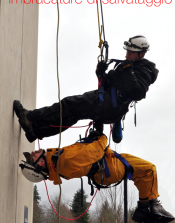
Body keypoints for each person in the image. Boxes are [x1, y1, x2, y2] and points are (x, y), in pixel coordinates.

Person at [14, 35, 158, 143]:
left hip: (112, 106)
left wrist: (128, 69)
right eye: (127, 51)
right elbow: (110, 83)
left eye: (131, 52)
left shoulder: (146, 69)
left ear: (142, 54)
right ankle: (36, 131)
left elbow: (138, 92)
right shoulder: (128, 66)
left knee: (70, 104)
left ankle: (30, 118)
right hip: (107, 102)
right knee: (72, 114)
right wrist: (101, 72)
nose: (127, 55)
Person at [20, 130, 174, 223]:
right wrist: (102, 138)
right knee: (149, 169)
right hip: (108, 166)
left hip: (105, 167)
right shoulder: (62, 160)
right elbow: (95, 152)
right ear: (40, 163)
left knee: (141, 174)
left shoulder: (59, 160)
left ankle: (144, 208)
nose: (34, 151)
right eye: (33, 156)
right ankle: (151, 205)